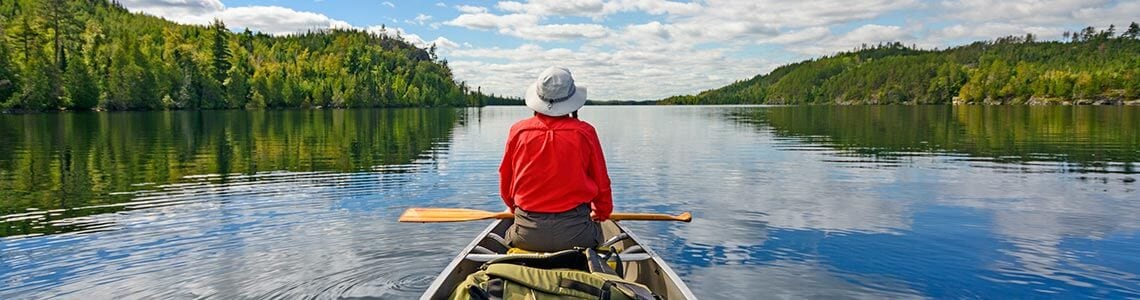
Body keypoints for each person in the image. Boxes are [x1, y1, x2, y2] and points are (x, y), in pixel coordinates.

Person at [498, 66, 612, 252]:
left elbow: (505, 178)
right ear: (572, 102)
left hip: (526, 235)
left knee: (510, 234)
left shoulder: (518, 131)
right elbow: (602, 183)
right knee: (598, 232)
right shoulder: (585, 132)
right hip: (577, 236)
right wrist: (602, 212)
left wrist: (512, 207)